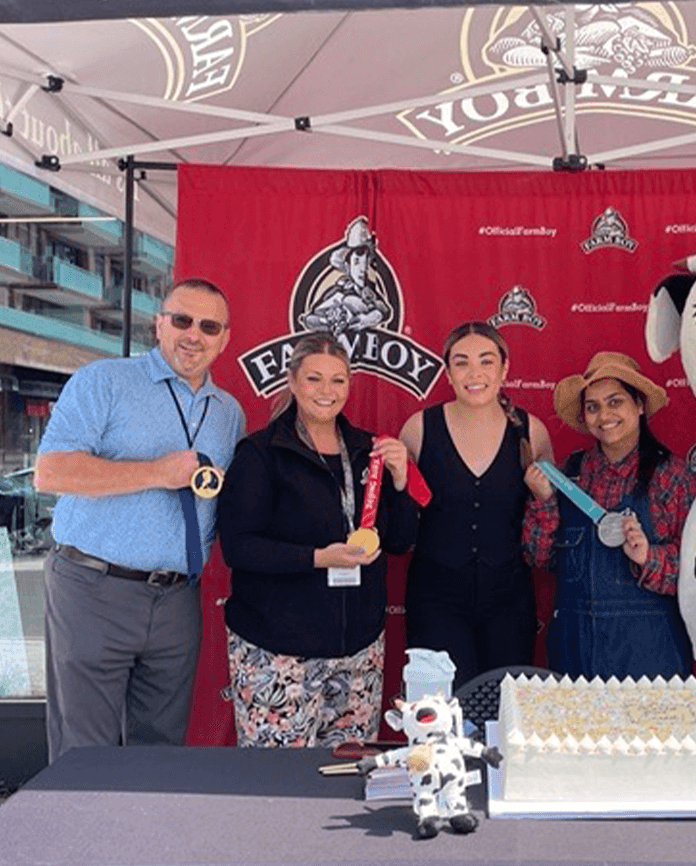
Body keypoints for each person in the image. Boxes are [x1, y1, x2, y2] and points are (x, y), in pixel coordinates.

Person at [34, 278, 244, 761]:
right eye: (182, 320)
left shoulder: (228, 413)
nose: (194, 335)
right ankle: (81, 840)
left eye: (208, 326)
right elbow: (50, 471)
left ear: (225, 338)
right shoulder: (103, 381)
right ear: (159, 323)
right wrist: (155, 472)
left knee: (160, 752)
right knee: (83, 752)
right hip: (93, 587)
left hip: (176, 599)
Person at [217, 334, 420, 747]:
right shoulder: (260, 454)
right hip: (278, 654)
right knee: (277, 786)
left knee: (344, 778)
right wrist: (318, 558)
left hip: (358, 653)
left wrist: (401, 483)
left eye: (338, 381)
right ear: (292, 382)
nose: (327, 392)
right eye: (314, 379)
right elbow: (239, 548)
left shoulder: (369, 450)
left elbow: (399, 541)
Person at [522, 351, 696, 680]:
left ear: (640, 405)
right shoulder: (570, 475)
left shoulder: (671, 477)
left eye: (615, 402)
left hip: (650, 658)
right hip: (575, 653)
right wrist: (544, 501)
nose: (604, 415)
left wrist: (649, 557)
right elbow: (539, 558)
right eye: (593, 406)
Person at [400, 321, 553, 688]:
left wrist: (545, 498)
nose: (475, 373)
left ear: (504, 368)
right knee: (439, 718)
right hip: (435, 600)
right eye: (462, 362)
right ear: (448, 372)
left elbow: (546, 528)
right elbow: (399, 526)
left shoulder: (531, 432)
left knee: (502, 714)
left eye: (486, 361)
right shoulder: (419, 428)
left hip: (509, 603)